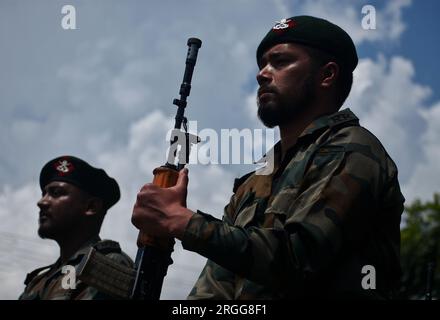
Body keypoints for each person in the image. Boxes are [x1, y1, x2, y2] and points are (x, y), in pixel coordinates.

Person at [131, 15, 405, 299]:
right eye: (262, 64)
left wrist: (183, 222)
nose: (262, 73)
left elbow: (298, 258)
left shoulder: (353, 149)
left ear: (327, 75)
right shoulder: (256, 180)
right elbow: (216, 288)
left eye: (281, 62)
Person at [19, 155, 133, 300]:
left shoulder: (107, 266)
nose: (41, 202)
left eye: (56, 193)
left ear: (91, 207)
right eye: (44, 193)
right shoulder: (38, 281)